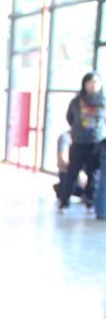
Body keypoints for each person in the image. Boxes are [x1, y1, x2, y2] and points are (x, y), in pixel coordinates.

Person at [57, 71, 105, 214]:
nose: (93, 85)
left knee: (93, 174)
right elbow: (70, 118)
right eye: (90, 82)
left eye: (96, 82)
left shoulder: (103, 102)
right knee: (72, 173)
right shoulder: (76, 102)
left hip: (94, 143)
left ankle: (90, 202)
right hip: (78, 142)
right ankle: (64, 202)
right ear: (84, 84)